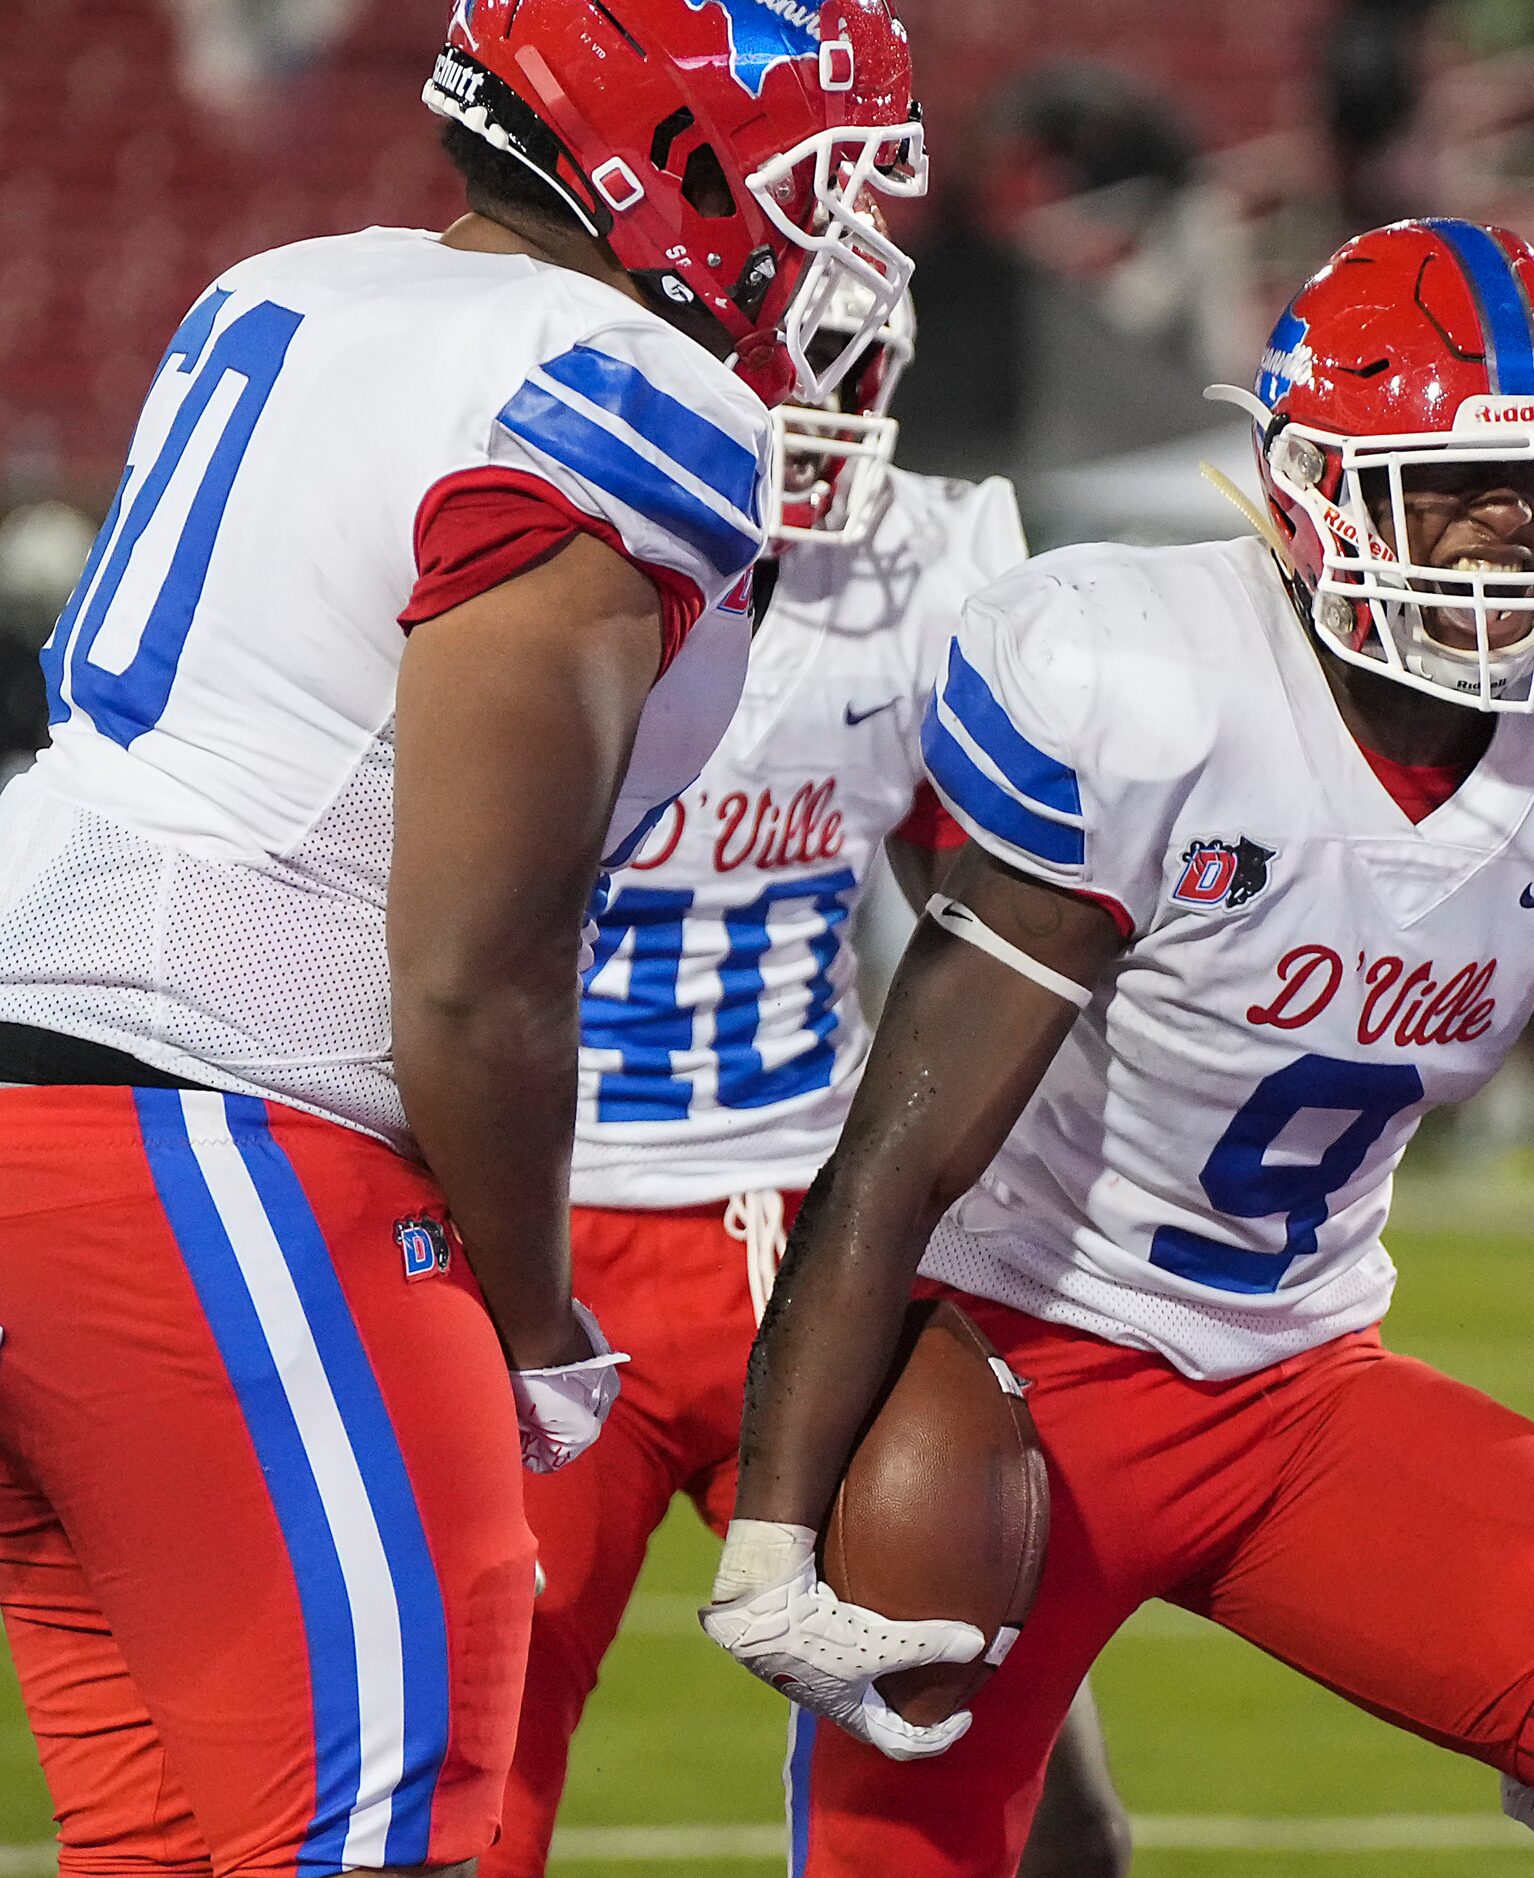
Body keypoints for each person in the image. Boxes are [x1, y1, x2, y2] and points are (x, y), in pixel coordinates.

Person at [702, 217, 1534, 1877]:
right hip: (1022, 1362)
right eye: (1453, 484)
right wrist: (777, 1522)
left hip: (1302, 1380)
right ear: (1308, 486)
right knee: (912, 1846)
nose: (1520, 526)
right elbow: (905, 1147)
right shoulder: (1146, 681)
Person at [0, 3, 918, 1871]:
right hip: (216, 1131)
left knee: (163, 1845)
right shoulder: (617, 387)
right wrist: (535, 1311)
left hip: (58, 1086)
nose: (846, 236)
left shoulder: (301, 281)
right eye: (823, 178)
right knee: (372, 1829)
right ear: (673, 155)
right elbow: (469, 968)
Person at [489, 278, 1130, 1877]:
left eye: (840, 359)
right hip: (532, 1230)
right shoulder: (506, 526)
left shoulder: (917, 567)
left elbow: (990, 914)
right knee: (458, 1773)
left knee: (1010, 1764)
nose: (812, 397)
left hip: (805, 1226)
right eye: (779, 352)